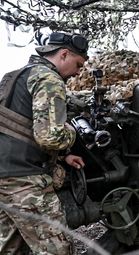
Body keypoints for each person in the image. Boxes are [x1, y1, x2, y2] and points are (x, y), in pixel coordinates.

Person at [0, 32, 88, 254]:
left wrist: (63, 155)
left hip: (4, 177)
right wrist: (71, 134)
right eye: (78, 64)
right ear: (64, 54)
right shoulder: (48, 79)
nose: (79, 71)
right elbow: (49, 136)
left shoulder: (13, 76)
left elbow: (19, 127)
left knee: (11, 249)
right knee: (58, 250)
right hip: (24, 182)